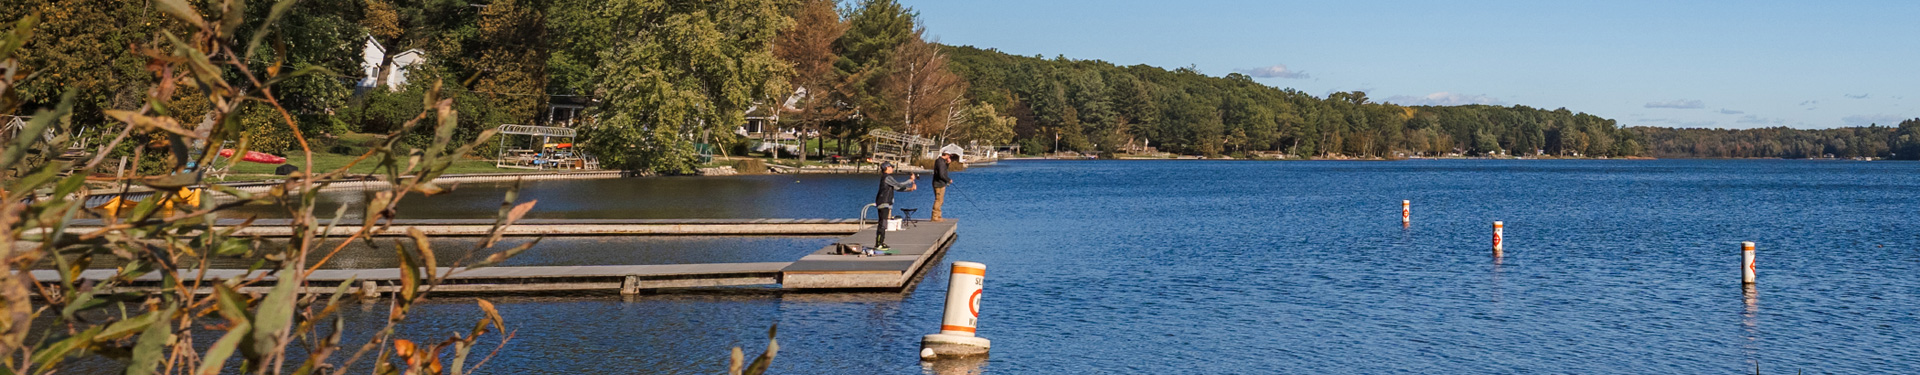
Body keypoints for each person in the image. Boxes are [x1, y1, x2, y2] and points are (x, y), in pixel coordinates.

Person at [873, 161, 916, 250]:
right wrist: (910, 180)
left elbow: (897, 188)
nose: (892, 168)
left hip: (886, 203)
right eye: (891, 167)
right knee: (882, 224)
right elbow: (898, 184)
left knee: (884, 224)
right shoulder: (887, 177)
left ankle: (881, 242)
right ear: (886, 168)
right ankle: (878, 244)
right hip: (883, 203)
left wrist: (910, 189)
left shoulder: (888, 178)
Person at [931, 153, 954, 221]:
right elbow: (941, 175)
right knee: (938, 200)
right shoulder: (940, 162)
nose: (949, 157)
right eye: (949, 155)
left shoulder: (942, 161)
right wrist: (948, 180)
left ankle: (939, 216)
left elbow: (944, 171)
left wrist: (947, 164)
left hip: (941, 183)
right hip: (938, 184)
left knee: (941, 201)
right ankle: (934, 217)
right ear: (946, 154)